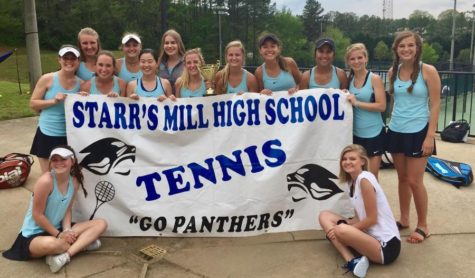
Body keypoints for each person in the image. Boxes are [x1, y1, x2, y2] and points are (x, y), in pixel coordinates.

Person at [2, 146, 108, 273]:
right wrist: (60, 235)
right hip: (33, 235)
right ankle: (82, 245)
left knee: (101, 224)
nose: (59, 163)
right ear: (50, 162)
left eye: (63, 159)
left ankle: (65, 255)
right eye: (55, 160)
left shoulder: (74, 181)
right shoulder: (45, 181)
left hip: (59, 229)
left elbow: (67, 209)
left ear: (72, 161)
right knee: (54, 244)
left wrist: (67, 230)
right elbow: (37, 215)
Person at [387, 30, 440, 243]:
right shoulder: (393, 72)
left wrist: (430, 136)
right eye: (402, 46)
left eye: (410, 45)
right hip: (396, 129)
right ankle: (404, 218)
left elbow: (435, 104)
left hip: (419, 131)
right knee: (402, 179)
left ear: (417, 48)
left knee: (415, 181)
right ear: (396, 50)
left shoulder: (428, 71)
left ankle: (423, 225)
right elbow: (393, 101)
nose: (406, 49)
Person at [319, 144, 400, 278]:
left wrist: (342, 230)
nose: (347, 162)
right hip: (369, 236)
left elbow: (372, 219)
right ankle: (352, 260)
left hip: (387, 247)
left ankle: (348, 245)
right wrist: (343, 228)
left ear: (362, 161)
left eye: (352, 158)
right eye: (344, 159)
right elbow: (359, 217)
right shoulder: (352, 182)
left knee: (340, 230)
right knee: (325, 216)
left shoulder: (365, 179)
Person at [30, 45, 84, 173]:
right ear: (59, 59)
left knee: (66, 175)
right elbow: (33, 103)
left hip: (69, 135)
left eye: (73, 58)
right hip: (47, 132)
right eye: (65, 58)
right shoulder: (47, 79)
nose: (69, 61)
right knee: (48, 175)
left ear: (78, 61)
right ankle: (43, 193)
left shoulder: (81, 84)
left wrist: (83, 98)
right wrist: (53, 101)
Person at [345, 43, 386, 179]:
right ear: (348, 62)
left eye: (359, 58)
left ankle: (374, 201)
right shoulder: (349, 79)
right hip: (356, 134)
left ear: (366, 59)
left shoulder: (374, 79)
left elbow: (381, 106)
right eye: (352, 59)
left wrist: (357, 103)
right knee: (357, 176)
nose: (356, 61)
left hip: (373, 133)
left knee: (371, 177)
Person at [158, 29, 186, 95]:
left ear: (179, 44)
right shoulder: (158, 63)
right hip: (162, 103)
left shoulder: (187, 63)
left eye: (173, 43)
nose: (169, 46)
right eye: (166, 43)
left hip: (183, 103)